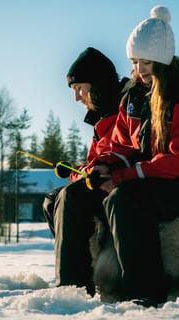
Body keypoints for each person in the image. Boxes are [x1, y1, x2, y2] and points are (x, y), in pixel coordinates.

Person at [90, 5, 179, 306]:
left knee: (125, 199)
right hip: (156, 177)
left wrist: (125, 177)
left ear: (162, 62)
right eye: (134, 62)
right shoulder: (135, 96)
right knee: (78, 195)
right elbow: (122, 144)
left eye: (146, 62)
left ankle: (144, 294)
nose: (139, 70)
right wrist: (105, 165)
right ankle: (77, 285)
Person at [42, 47, 128, 296]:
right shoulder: (102, 116)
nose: (77, 97)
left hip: (124, 180)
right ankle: (83, 272)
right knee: (51, 200)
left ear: (97, 84)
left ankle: (72, 288)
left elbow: (125, 151)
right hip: (104, 177)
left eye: (79, 88)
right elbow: (95, 162)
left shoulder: (124, 108)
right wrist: (74, 171)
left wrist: (95, 170)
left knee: (71, 196)